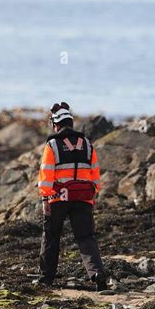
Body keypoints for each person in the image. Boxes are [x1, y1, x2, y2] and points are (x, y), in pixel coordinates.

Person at [37, 101, 107, 290]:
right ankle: (98, 274)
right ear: (71, 123)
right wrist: (92, 195)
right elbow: (95, 175)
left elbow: (46, 176)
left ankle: (46, 279)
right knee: (86, 238)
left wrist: (45, 199)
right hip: (83, 198)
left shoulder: (52, 146)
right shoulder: (87, 144)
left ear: (55, 125)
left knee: (51, 237)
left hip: (58, 198)